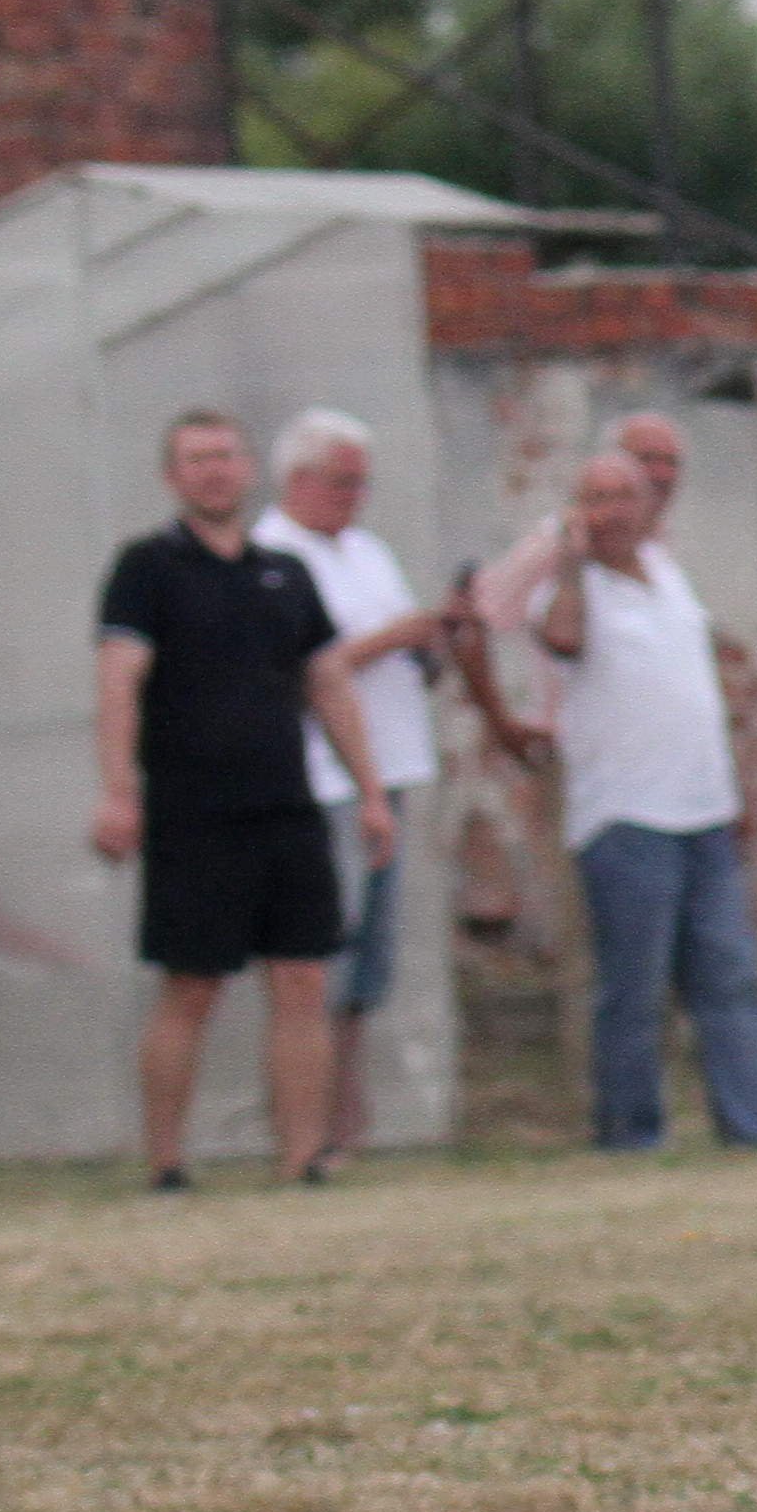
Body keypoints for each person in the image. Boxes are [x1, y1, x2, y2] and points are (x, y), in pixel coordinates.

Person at [91, 409, 395, 1189]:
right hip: (193, 813)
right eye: (197, 459)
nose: (214, 470)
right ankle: (166, 1162)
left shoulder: (285, 572)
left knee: (302, 978)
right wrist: (119, 794)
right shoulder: (147, 567)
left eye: (225, 456)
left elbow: (328, 683)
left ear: (249, 469)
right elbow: (118, 683)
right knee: (192, 984)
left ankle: (302, 1158)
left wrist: (370, 793)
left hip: (287, 807)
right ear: (172, 476)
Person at [510, 446, 757, 1153]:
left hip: (703, 811)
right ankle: (631, 1130)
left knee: (729, 978)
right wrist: (570, 563)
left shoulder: (666, 572)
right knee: (633, 987)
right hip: (626, 816)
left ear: (646, 507)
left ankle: (753, 1128)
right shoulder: (568, 592)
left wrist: (736, 790)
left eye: (622, 498)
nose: (611, 514)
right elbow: (562, 639)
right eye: (595, 499)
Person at [253, 408, 459, 1164]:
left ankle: (348, 1120)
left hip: (388, 771)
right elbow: (302, 670)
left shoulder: (368, 552)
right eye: (342, 482)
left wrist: (433, 640)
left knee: (368, 963)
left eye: (362, 483)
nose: (354, 496)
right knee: (320, 960)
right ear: (297, 479)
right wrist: (392, 637)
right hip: (321, 781)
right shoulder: (273, 557)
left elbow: (393, 658)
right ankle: (308, 1128)